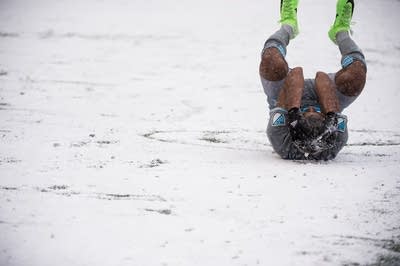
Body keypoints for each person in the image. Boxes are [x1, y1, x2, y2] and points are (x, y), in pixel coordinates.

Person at [260, 0, 367, 160]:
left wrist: (294, 112)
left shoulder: (281, 140)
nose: (310, 109)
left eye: (307, 113)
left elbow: (296, 74)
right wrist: (330, 113)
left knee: (271, 63)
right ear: (325, 120)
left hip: (286, 98)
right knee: (356, 76)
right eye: (315, 112)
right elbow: (321, 78)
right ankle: (340, 31)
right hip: (325, 97)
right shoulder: (336, 138)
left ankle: (288, 26)